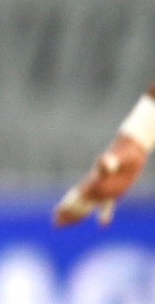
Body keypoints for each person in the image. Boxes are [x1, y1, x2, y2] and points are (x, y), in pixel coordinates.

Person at [53, 79, 155, 227]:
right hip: (137, 141)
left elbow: (108, 166)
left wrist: (110, 162)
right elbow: (108, 180)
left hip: (136, 140)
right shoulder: (102, 189)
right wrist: (105, 214)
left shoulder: (100, 186)